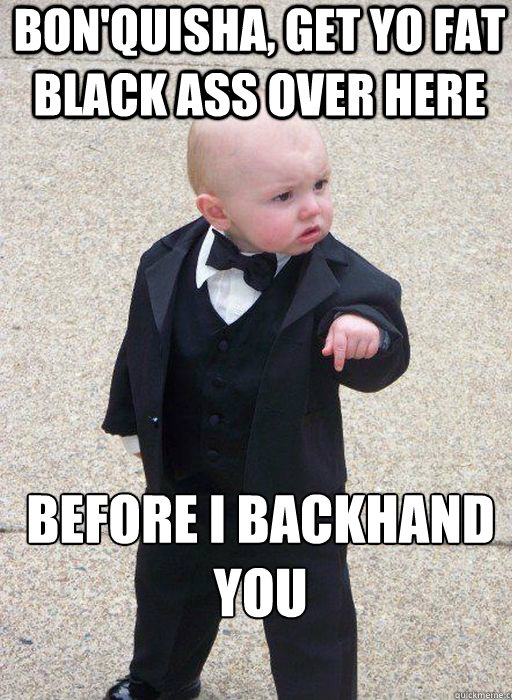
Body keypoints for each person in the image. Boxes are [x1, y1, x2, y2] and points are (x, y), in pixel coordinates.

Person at [101, 88, 410, 700]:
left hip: (292, 491)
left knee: (310, 614)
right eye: (284, 196)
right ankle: (162, 681)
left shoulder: (341, 279)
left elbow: (387, 352)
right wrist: (132, 422)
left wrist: (369, 334)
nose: (312, 208)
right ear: (216, 211)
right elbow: (142, 347)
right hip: (187, 478)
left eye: (320, 184)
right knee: (171, 588)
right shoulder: (165, 262)